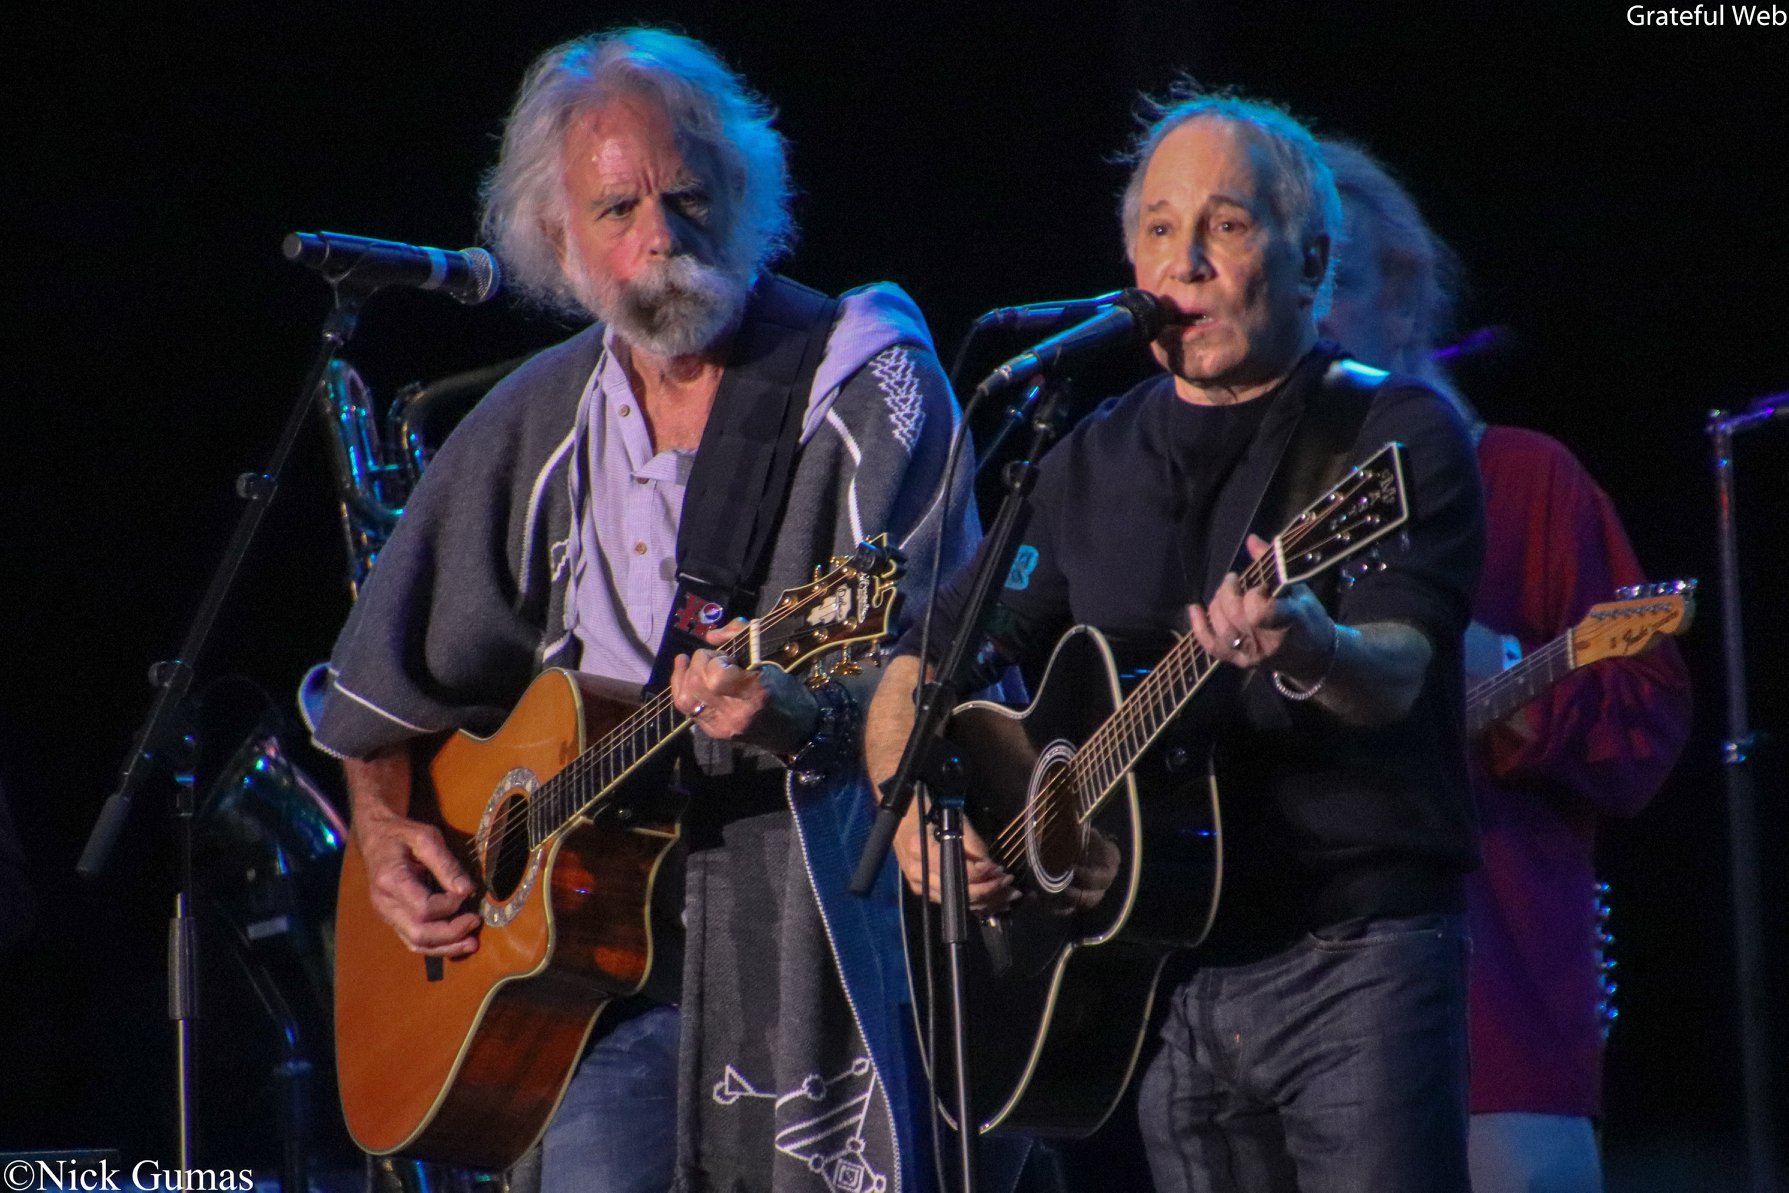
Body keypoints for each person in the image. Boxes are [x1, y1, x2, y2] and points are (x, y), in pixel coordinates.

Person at [309, 28, 980, 1193]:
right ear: (557, 244)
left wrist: (799, 712)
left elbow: (947, 663)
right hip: (590, 989)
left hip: (806, 932)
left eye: (687, 197)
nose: (660, 241)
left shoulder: (863, 380)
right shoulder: (536, 418)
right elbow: (377, 689)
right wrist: (380, 827)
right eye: (616, 211)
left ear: (751, 199)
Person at [866, 91, 1486, 1192]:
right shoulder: (1081, 454)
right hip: (1150, 972)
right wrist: (909, 799)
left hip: (1351, 956)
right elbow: (927, 654)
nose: (1186, 260)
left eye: (1228, 225)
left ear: (1310, 261)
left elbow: (1400, 665)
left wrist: (1310, 648)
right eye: (1159, 229)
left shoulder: (1389, 435)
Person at [1318, 139, 1692, 1193]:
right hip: (1280, 1036)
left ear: (1399, 291)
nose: (1301, 317)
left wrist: (1508, 673)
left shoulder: (1522, 479)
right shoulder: (1228, 515)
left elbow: (1641, 726)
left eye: (1326, 279)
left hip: (1497, 1026)